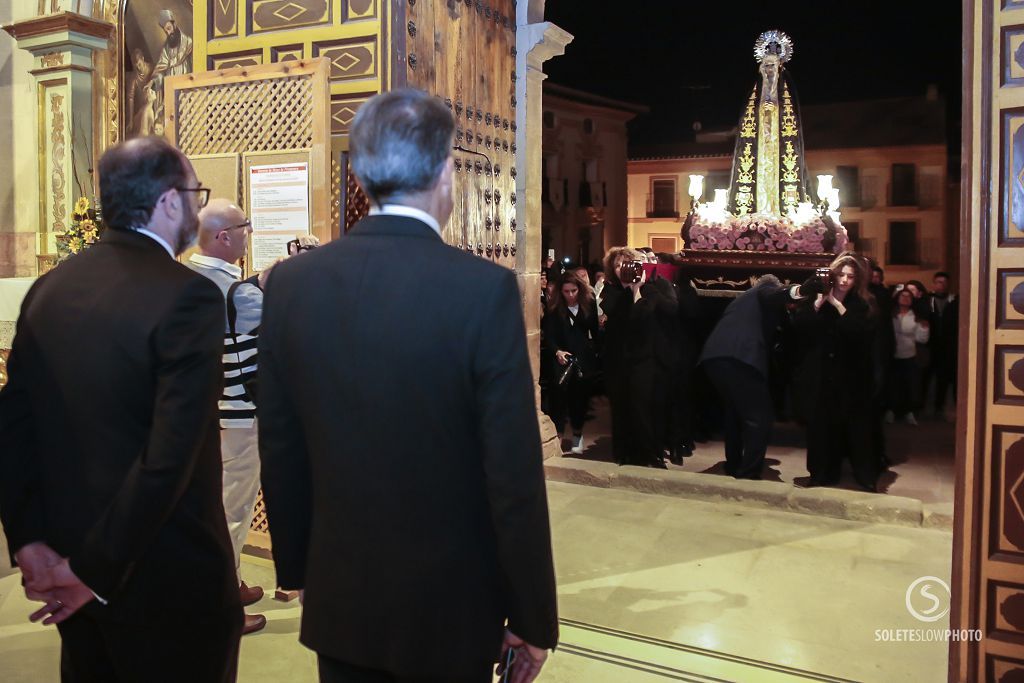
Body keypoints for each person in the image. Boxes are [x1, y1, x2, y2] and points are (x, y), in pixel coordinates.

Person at [257, 89, 558, 683]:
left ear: (362, 174)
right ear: (447, 170)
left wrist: (296, 567)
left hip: (340, 597)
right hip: (451, 607)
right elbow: (512, 474)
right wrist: (531, 614)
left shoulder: (292, 284)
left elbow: (282, 440)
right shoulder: (483, 290)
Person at [0, 136, 242, 679]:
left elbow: (13, 429)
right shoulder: (188, 296)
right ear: (168, 201)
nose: (197, 210)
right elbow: (170, 455)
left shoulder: (49, 289)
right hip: (166, 578)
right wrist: (93, 571)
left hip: (69, 567)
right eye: (194, 194)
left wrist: (30, 541)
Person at [188, 198, 268, 635]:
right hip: (240, 414)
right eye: (244, 226)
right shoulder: (238, 292)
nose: (247, 233)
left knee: (219, 503)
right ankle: (224, 603)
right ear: (224, 236)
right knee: (232, 511)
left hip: (207, 414)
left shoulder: (187, 279)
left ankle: (230, 582)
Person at [698, 273, 819, 479]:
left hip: (715, 359)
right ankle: (749, 472)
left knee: (734, 414)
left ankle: (734, 464)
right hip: (740, 359)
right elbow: (774, 295)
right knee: (759, 418)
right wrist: (800, 291)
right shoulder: (762, 290)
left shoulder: (742, 302)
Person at [792, 252, 880, 491]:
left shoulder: (862, 303)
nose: (844, 280)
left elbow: (859, 334)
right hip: (821, 375)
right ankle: (820, 474)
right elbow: (800, 328)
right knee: (820, 428)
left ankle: (865, 476)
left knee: (856, 428)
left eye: (850, 277)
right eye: (840, 275)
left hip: (850, 375)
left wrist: (839, 306)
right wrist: (819, 302)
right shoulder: (816, 299)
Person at [599, 247, 678, 468]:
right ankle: (624, 452)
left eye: (627, 263)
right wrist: (630, 290)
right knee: (622, 406)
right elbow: (628, 317)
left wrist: (639, 288)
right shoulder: (611, 291)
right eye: (617, 265)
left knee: (644, 406)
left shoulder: (655, 285)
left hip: (646, 357)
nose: (622, 268)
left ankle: (650, 453)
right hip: (619, 359)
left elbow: (670, 310)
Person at [543, 272, 601, 454]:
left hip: (582, 358)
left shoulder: (589, 304)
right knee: (558, 400)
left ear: (580, 289)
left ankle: (577, 434)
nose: (570, 295)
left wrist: (596, 353)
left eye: (573, 291)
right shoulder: (554, 309)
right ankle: (558, 435)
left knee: (579, 399)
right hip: (561, 358)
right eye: (566, 291)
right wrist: (557, 351)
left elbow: (594, 332)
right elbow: (549, 336)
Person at [886, 288, 930, 426]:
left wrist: (924, 328)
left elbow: (922, 340)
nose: (905, 298)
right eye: (902, 296)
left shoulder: (915, 317)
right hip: (892, 354)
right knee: (892, 385)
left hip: (910, 355)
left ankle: (909, 412)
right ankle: (891, 411)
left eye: (908, 296)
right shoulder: (890, 315)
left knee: (910, 385)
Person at [924, 271, 958, 419]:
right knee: (925, 377)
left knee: (944, 378)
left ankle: (940, 407)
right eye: (938, 282)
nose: (941, 285)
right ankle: (922, 407)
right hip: (929, 345)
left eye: (944, 282)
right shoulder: (927, 300)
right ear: (933, 283)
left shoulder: (954, 301)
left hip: (949, 346)